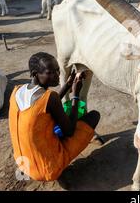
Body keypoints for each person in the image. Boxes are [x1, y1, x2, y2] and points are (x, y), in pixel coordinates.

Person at [9, 52, 100, 182]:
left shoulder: (16, 90)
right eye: (51, 72)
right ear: (35, 74)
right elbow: (69, 131)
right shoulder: (49, 97)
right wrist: (75, 95)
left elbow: (47, 104)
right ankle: (59, 170)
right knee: (93, 116)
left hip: (23, 163)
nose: (57, 75)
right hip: (46, 169)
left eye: (58, 70)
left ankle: (49, 166)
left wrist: (68, 85)